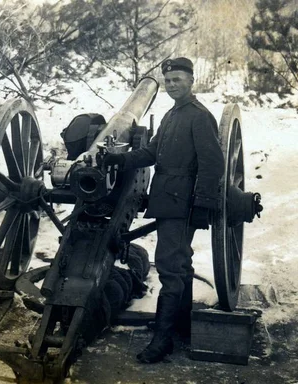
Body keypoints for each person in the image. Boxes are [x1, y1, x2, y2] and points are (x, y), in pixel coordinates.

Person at [104, 57, 225, 363]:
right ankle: (181, 326)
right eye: (169, 81)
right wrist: (121, 159)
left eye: (178, 80)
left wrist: (201, 205)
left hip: (182, 204)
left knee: (170, 268)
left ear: (191, 81)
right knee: (180, 266)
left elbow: (213, 165)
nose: (173, 85)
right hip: (169, 200)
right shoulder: (173, 115)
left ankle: (162, 340)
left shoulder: (199, 117)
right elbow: (151, 152)